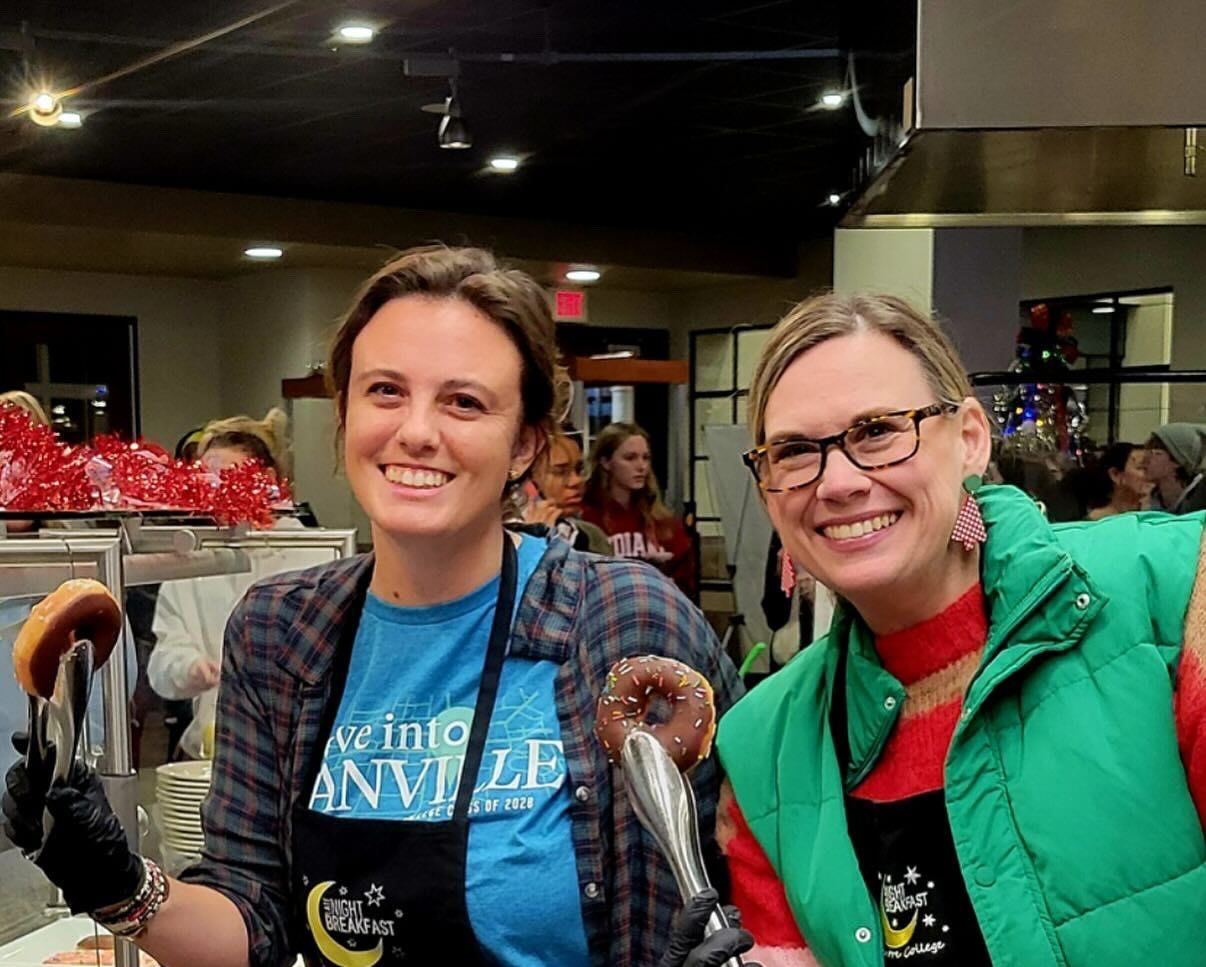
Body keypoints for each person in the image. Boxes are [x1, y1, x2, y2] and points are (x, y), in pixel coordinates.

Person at [4, 245, 741, 967]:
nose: (416, 431)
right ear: (345, 413)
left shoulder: (622, 621)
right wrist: (117, 883)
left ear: (524, 444)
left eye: (463, 402)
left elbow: (737, 873)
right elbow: (253, 920)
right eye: (385, 390)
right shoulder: (280, 632)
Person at [668, 293, 1206, 967]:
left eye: (876, 431)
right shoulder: (765, 748)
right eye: (796, 451)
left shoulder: (1170, 592)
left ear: (970, 438)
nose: (838, 482)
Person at [148, 409, 303, 759]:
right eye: (206, 481)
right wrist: (190, 668)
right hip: (212, 748)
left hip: (298, 748)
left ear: (265, 479)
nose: (215, 493)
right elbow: (161, 667)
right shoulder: (192, 562)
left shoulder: (311, 555)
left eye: (226, 478)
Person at [582, 422, 697, 598]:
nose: (641, 466)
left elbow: (685, 580)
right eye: (630, 458)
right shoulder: (586, 518)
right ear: (606, 462)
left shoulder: (663, 522)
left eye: (646, 457)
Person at [522, 427, 611, 553]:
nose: (576, 481)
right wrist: (533, 541)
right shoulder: (505, 540)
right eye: (560, 472)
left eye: (579, 470)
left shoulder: (592, 537)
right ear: (527, 480)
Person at [1074, 441, 1151, 520]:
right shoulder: (1095, 523)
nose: (1150, 474)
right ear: (1115, 474)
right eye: (1141, 468)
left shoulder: (1150, 515)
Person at [1146, 422, 1206, 514]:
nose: (1146, 459)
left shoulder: (1201, 501)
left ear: (1177, 460)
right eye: (1148, 451)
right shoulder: (1149, 499)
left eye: (1157, 453)